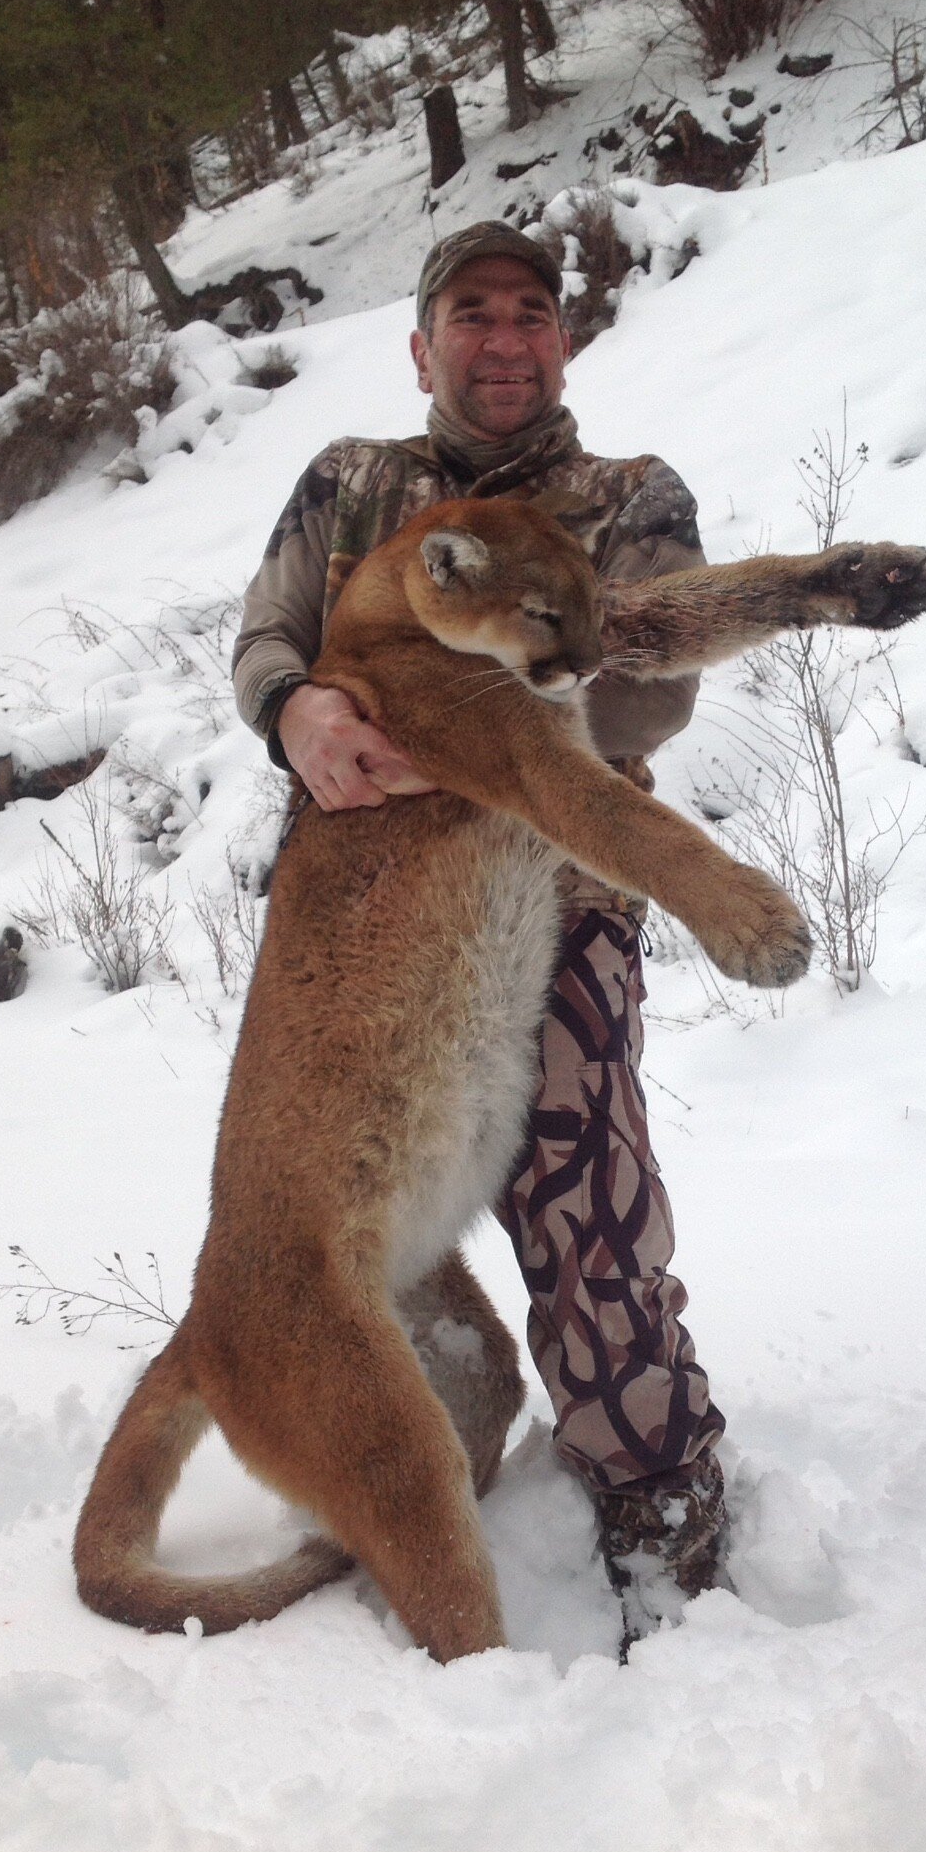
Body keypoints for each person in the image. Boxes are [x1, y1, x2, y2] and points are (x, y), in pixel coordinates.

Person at [232, 220, 729, 1635]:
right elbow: (268, 632)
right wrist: (303, 708)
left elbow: (646, 688)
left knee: (580, 1194)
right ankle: (396, 1462)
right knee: (354, 1210)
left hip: (552, 890)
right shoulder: (350, 484)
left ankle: (654, 1488)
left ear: (562, 339)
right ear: (422, 344)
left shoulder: (625, 495)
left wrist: (455, 724)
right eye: (471, 312)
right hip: (360, 908)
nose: (502, 337)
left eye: (530, 313)